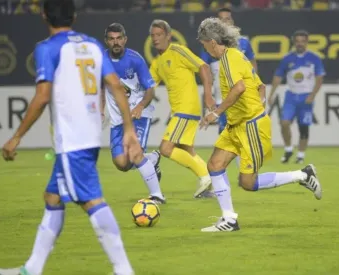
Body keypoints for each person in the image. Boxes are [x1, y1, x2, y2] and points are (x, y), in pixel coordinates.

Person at [0, 1, 138, 274]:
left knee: (91, 201)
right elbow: (116, 86)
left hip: (72, 140)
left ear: (44, 14)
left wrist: (16, 137)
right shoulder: (94, 45)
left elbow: (42, 96)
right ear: (73, 16)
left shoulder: (48, 48)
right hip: (89, 134)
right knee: (52, 196)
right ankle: (32, 268)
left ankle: (123, 270)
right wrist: (129, 128)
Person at [197, 17, 322, 233]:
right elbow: (260, 86)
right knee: (215, 165)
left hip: (250, 127)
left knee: (248, 183)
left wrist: (216, 113)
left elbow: (239, 88)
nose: (204, 48)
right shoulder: (236, 57)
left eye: (203, 43)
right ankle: (229, 219)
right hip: (236, 125)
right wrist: (258, 105)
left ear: (212, 41)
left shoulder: (229, 59)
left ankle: (303, 175)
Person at [148, 19, 215, 199]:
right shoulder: (157, 62)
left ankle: (205, 177)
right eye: (153, 35)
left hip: (186, 108)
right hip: (179, 110)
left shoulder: (177, 50)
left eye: (159, 35)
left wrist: (207, 95)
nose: (155, 38)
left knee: (166, 149)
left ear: (168, 36)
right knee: (187, 150)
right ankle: (211, 183)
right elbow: (148, 88)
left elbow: (203, 66)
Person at [103, 22, 165, 204]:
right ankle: (152, 159)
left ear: (125, 39)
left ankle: (157, 196)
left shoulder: (135, 59)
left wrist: (139, 107)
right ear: (106, 41)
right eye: (112, 39)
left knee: (135, 154)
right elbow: (100, 86)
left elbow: (150, 90)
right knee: (122, 164)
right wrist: (99, 109)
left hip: (139, 115)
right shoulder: (101, 61)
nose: (116, 42)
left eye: (119, 39)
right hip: (117, 121)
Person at [200, 7, 259, 169]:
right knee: (227, 138)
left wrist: (256, 90)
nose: (226, 22)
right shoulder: (211, 46)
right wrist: (208, 95)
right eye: (222, 20)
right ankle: (241, 173)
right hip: (223, 99)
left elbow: (252, 67)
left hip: (242, 99)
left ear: (232, 21)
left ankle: (239, 173)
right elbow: (205, 70)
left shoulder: (244, 43)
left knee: (232, 138)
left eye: (228, 19)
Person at [268, 30, 325, 164]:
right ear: (294, 42)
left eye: (302, 41)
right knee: (284, 123)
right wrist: (271, 94)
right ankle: (288, 149)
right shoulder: (287, 59)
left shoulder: (314, 58)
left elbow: (319, 78)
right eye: (297, 41)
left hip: (306, 97)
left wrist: (312, 95)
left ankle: (300, 154)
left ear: (306, 42)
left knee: (303, 127)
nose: (300, 44)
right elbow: (278, 76)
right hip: (291, 96)